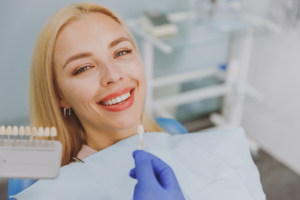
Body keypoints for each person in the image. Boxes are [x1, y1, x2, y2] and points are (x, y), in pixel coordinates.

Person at [13, 2, 266, 200]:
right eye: (83, 68)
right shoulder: (54, 189)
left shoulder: (172, 131)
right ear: (60, 96)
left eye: (121, 52)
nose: (113, 75)